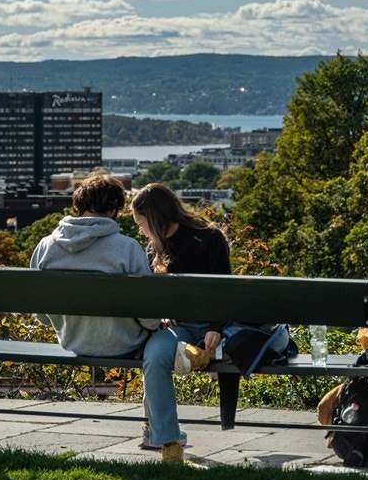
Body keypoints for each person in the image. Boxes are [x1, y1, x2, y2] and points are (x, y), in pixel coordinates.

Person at [130, 182, 231, 463]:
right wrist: (162, 314)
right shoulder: (154, 249)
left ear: (156, 218)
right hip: (178, 328)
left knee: (216, 346)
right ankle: (169, 442)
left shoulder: (209, 238)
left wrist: (216, 326)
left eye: (142, 223)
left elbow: (225, 290)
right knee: (155, 355)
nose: (141, 230)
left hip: (214, 327)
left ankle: (197, 356)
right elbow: (155, 297)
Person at [29, 172, 158, 357]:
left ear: (78, 205)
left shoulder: (45, 246)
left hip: (71, 344)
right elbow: (150, 318)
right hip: (125, 344)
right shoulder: (128, 247)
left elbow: (41, 316)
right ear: (114, 208)